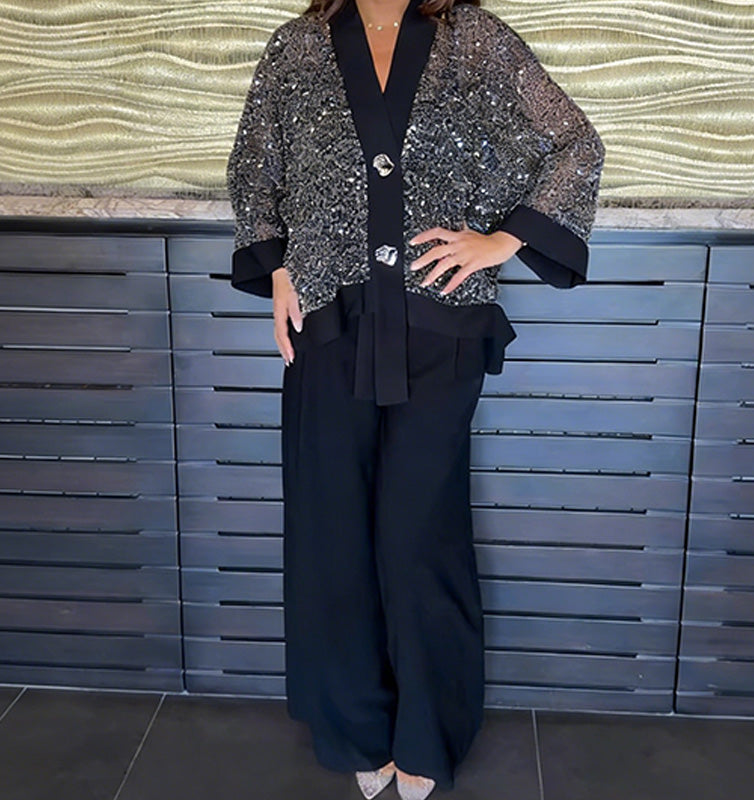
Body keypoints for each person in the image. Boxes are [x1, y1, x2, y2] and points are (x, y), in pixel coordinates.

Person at [226, 0, 605, 796]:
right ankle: (357, 729)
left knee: (417, 535)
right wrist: (280, 270)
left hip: (439, 329)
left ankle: (428, 735)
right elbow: (254, 167)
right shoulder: (297, 46)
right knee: (332, 531)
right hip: (328, 322)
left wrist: (503, 240)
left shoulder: (474, 39)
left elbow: (575, 142)